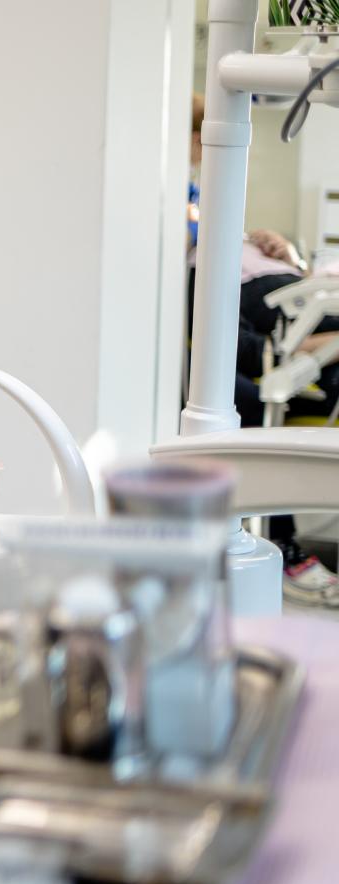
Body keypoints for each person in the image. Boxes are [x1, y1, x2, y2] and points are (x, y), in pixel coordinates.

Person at [187, 95, 339, 605]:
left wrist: (289, 253)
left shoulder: (224, 219)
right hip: (277, 314)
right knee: (248, 396)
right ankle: (285, 546)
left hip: (300, 292)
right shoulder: (193, 233)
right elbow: (244, 346)